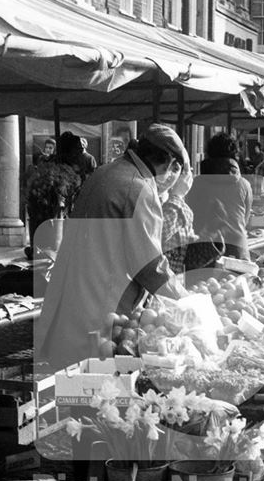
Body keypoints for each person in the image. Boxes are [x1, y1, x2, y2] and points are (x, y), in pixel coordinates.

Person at [36, 124, 188, 370]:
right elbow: (150, 266)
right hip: (100, 312)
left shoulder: (106, 171)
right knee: (98, 396)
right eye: (174, 170)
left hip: (72, 303)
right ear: (167, 163)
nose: (172, 178)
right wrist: (186, 301)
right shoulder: (138, 188)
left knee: (72, 390)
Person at [187, 132, 254, 264]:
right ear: (235, 155)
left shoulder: (195, 183)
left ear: (209, 153)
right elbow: (244, 220)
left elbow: (190, 216)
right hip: (237, 250)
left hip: (204, 252)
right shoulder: (244, 185)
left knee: (203, 285)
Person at [161, 163, 196, 273]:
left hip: (172, 282)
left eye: (176, 169)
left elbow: (183, 255)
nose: (168, 174)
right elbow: (157, 232)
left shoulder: (177, 205)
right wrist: (177, 196)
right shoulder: (147, 197)